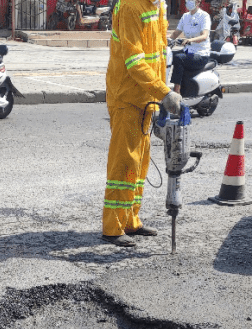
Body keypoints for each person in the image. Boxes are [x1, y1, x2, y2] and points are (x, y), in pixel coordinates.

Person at [102, 0, 181, 247]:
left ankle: (130, 221)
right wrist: (164, 93)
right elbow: (134, 60)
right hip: (127, 96)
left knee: (139, 165)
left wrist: (159, 96)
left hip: (146, 99)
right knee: (124, 163)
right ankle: (112, 227)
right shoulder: (130, 7)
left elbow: (159, 54)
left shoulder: (158, 7)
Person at [169, 0, 212, 93]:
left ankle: (177, 90)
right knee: (167, 55)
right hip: (188, 51)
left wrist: (190, 40)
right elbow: (176, 33)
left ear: (198, 2)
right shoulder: (185, 16)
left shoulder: (204, 16)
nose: (188, 2)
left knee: (178, 58)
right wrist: (163, 42)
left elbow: (204, 36)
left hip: (200, 53)